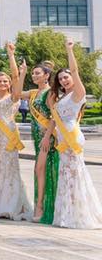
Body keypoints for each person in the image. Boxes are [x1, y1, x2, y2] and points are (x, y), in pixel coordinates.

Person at [50, 38, 102, 229]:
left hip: (72, 136)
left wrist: (69, 50)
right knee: (66, 173)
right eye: (61, 78)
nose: (64, 80)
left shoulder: (77, 93)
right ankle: (68, 212)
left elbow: (75, 71)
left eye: (66, 77)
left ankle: (78, 213)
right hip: (62, 137)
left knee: (74, 173)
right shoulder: (62, 96)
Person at [0, 44, 31, 221]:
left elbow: (15, 75)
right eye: (0, 81)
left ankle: (11, 205)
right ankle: (0, 204)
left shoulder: (13, 97)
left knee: (10, 168)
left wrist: (11, 55)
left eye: (5, 81)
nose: (3, 83)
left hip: (9, 136)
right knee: (0, 168)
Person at [24, 59, 59, 223]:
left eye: (37, 73)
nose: (34, 75)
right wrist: (21, 71)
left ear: (46, 76)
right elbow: (15, 94)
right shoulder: (33, 93)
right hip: (37, 138)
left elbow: (54, 117)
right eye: (33, 73)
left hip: (47, 138)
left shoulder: (51, 93)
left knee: (41, 170)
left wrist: (46, 137)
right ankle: (45, 205)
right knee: (41, 171)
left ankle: (40, 207)